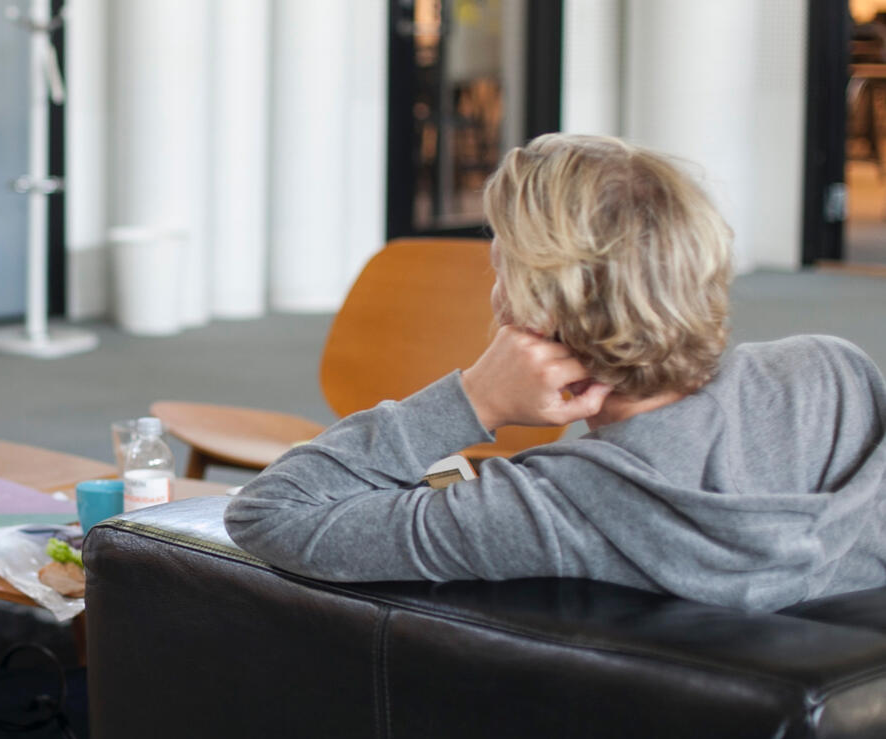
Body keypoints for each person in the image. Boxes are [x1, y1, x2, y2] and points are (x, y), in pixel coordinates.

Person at [225, 133, 886, 612]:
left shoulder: (551, 505)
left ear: (537, 310)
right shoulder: (836, 377)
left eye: (500, 267)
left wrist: (472, 400)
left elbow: (269, 513)